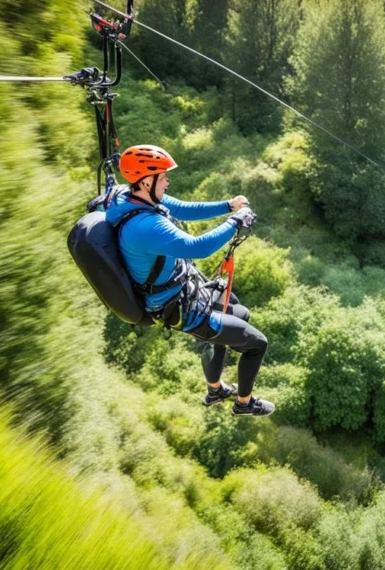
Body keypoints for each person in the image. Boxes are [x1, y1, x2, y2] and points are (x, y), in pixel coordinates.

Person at [105, 144, 273, 417]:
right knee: (257, 344)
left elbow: (182, 209)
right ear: (147, 181)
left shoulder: (133, 197)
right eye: (164, 177)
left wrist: (229, 206)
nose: (168, 182)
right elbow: (198, 248)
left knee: (239, 310)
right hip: (182, 309)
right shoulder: (146, 225)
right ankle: (244, 403)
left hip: (183, 291)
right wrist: (235, 222)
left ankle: (215, 388)